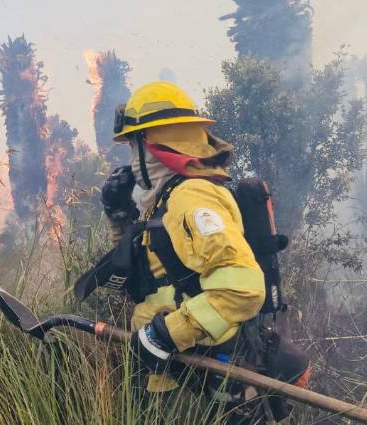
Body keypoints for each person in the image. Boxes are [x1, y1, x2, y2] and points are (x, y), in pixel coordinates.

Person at [100, 81, 310, 423]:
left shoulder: (191, 197)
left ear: (151, 144)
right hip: (175, 367)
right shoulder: (168, 198)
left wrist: (165, 334)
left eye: (133, 146)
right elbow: (146, 275)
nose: (131, 160)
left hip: (205, 371)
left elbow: (242, 288)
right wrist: (119, 216)